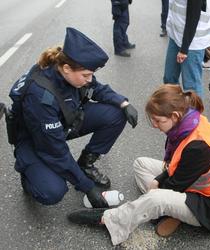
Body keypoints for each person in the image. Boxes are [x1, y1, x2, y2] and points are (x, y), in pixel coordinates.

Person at [68, 84, 210, 246]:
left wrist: (157, 187)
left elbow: (175, 183)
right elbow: (175, 166)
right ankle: (166, 212)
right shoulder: (187, 123)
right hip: (193, 181)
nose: (155, 125)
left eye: (158, 120)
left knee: (156, 198)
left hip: (207, 206)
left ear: (174, 115)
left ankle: (109, 220)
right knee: (140, 164)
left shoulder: (198, 146)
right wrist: (158, 180)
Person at [7, 27, 138, 206]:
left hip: (63, 123)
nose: (90, 79)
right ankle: (28, 176)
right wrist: (87, 188)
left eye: (91, 74)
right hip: (35, 140)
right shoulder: (40, 97)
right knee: (52, 192)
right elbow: (55, 151)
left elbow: (97, 89)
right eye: (86, 75)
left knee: (116, 114)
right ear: (67, 68)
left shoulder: (71, 71)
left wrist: (124, 103)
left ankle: (85, 164)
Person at [163, 0, 210, 97]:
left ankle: (193, 112)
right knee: (169, 79)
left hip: (192, 41)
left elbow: (193, 15)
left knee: (191, 87)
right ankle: (175, 108)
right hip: (176, 33)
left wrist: (184, 49)